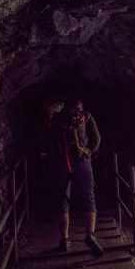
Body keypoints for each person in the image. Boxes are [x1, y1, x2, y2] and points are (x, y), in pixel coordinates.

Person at [52, 99, 103, 255]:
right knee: (88, 197)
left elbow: (96, 139)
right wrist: (88, 151)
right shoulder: (84, 117)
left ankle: (65, 239)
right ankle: (89, 235)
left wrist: (87, 150)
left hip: (67, 161)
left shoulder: (62, 118)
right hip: (78, 161)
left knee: (64, 199)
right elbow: (96, 139)